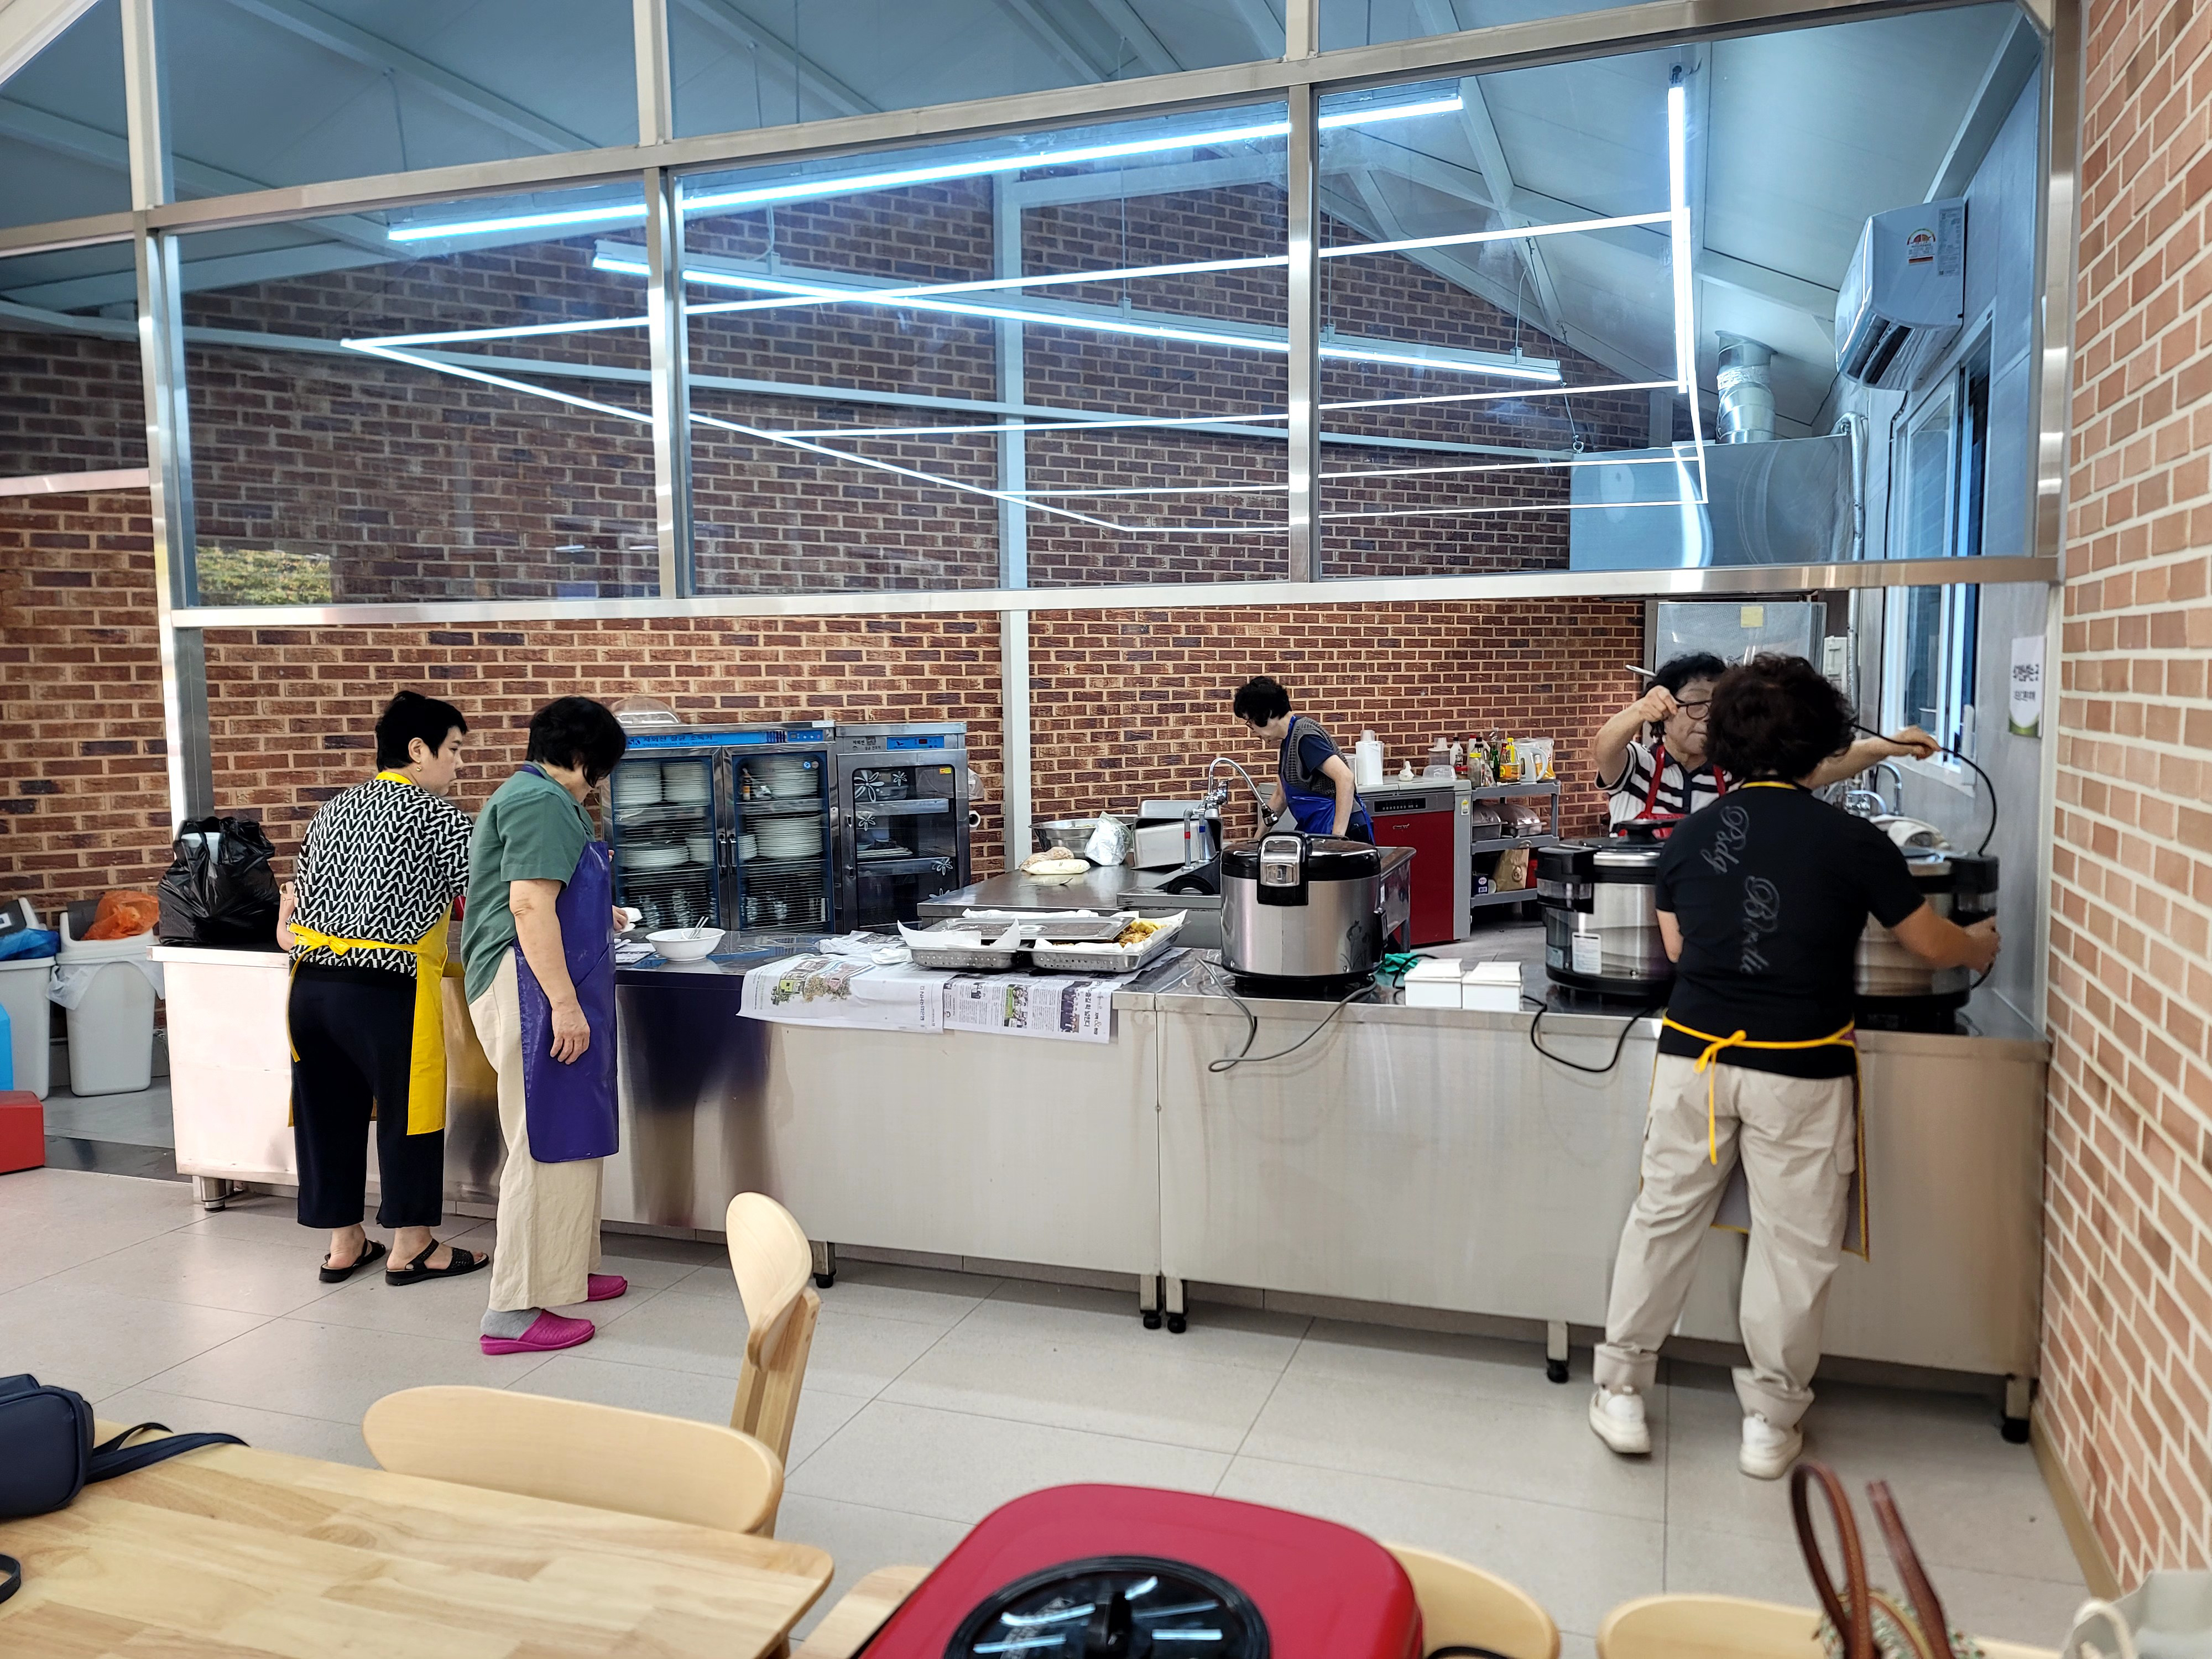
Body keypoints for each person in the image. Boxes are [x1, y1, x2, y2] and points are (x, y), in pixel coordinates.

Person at [1587, 654, 2001, 1477]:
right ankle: (1770, 1421)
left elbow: (1680, 947)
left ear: (1726, 742)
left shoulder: (1688, 836)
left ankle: (1621, 1390)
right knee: (1792, 1244)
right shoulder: (1852, 840)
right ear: (1821, 747)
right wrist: (1979, 946)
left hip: (1695, 1063)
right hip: (1801, 1069)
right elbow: (1927, 942)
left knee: (1662, 1222)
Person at [277, 690, 487, 1287]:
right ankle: (413, 1246)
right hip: (385, 990)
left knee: (326, 1113)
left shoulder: (333, 810)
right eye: (454, 750)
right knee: (408, 1113)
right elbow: (490, 897)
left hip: (310, 989)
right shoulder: (440, 818)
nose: (459, 764)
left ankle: (345, 1243)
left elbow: (299, 903)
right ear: (418, 750)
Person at [461, 695, 633, 1357]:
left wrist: (597, 914)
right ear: (585, 758)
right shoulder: (541, 801)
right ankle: (510, 1311)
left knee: (572, 1136)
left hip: (537, 981)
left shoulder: (535, 797)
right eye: (601, 771)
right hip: (530, 990)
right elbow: (529, 904)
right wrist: (563, 1004)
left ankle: (566, 1271)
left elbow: (548, 895)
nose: (599, 787)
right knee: (544, 1142)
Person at [1593, 652, 1938, 833]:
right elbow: (1604, 748)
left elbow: (1820, 769)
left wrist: (1888, 746)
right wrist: (1637, 710)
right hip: (1631, 911)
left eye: (1718, 706)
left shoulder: (1736, 772)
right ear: (1666, 709)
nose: (1709, 717)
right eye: (1697, 703)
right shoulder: (1637, 766)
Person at [1232, 676, 1373, 842]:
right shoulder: (1288, 741)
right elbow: (1281, 796)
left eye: (1250, 722)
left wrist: (1337, 839)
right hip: (1319, 830)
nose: (1253, 731)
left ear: (1267, 714)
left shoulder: (1306, 737)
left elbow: (1345, 778)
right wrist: (1257, 841)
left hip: (1346, 832)